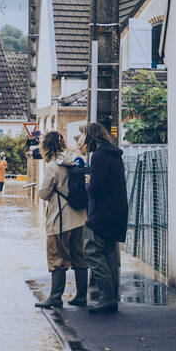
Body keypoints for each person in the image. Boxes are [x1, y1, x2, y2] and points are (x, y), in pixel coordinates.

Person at [34, 131, 89, 309]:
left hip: (60, 220)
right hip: (79, 218)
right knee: (79, 257)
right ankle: (81, 296)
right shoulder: (73, 160)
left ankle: (55, 297)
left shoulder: (52, 166)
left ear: (46, 146)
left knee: (57, 257)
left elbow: (43, 194)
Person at [78, 123, 127, 313]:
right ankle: (111, 297)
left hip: (102, 214)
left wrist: (87, 183)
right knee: (108, 254)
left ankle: (107, 298)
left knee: (92, 251)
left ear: (92, 137)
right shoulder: (115, 155)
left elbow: (96, 189)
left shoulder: (99, 156)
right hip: (117, 213)